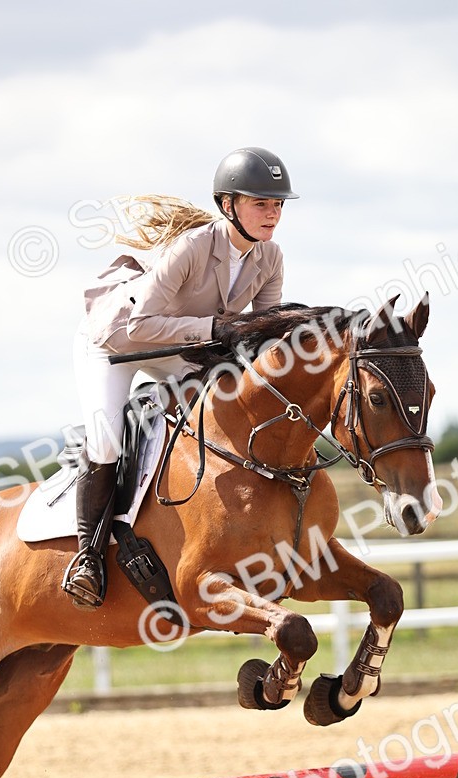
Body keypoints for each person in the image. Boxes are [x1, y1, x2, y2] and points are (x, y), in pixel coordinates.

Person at [62, 146, 298, 608]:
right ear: (229, 206)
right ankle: (87, 558)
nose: (272, 215)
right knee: (108, 440)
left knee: (224, 389)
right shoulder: (191, 247)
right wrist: (215, 329)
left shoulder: (270, 257)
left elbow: (262, 334)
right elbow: (138, 326)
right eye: (261, 204)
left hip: (178, 343)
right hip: (113, 343)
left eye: (277, 206)